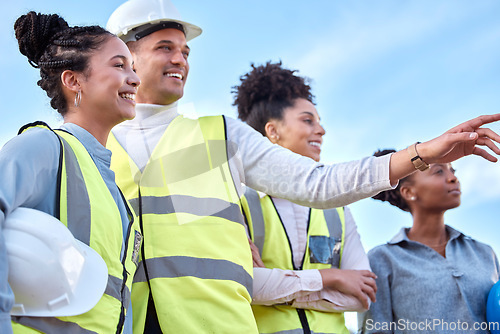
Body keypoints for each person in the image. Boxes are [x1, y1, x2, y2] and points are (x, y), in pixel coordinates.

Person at [105, 0, 500, 332]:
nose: (180, 59)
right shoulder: (98, 145)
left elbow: (319, 185)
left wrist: (422, 154)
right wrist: (324, 278)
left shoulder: (217, 138)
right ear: (125, 55)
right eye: (165, 48)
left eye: (185, 51)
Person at [0, 11, 142, 334]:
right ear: (73, 80)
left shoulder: (116, 194)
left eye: (133, 67)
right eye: (119, 65)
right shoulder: (44, 148)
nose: (134, 78)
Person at [234, 61, 376, 334]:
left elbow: (362, 295)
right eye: (307, 120)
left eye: (319, 122)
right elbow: (246, 285)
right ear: (272, 132)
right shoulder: (238, 198)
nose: (321, 130)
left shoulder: (339, 209)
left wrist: (278, 288)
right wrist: (331, 277)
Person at [359, 149, 500, 334]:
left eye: (453, 171)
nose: (452, 178)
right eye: (439, 171)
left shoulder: (484, 253)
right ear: (409, 192)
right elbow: (376, 330)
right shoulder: (382, 259)